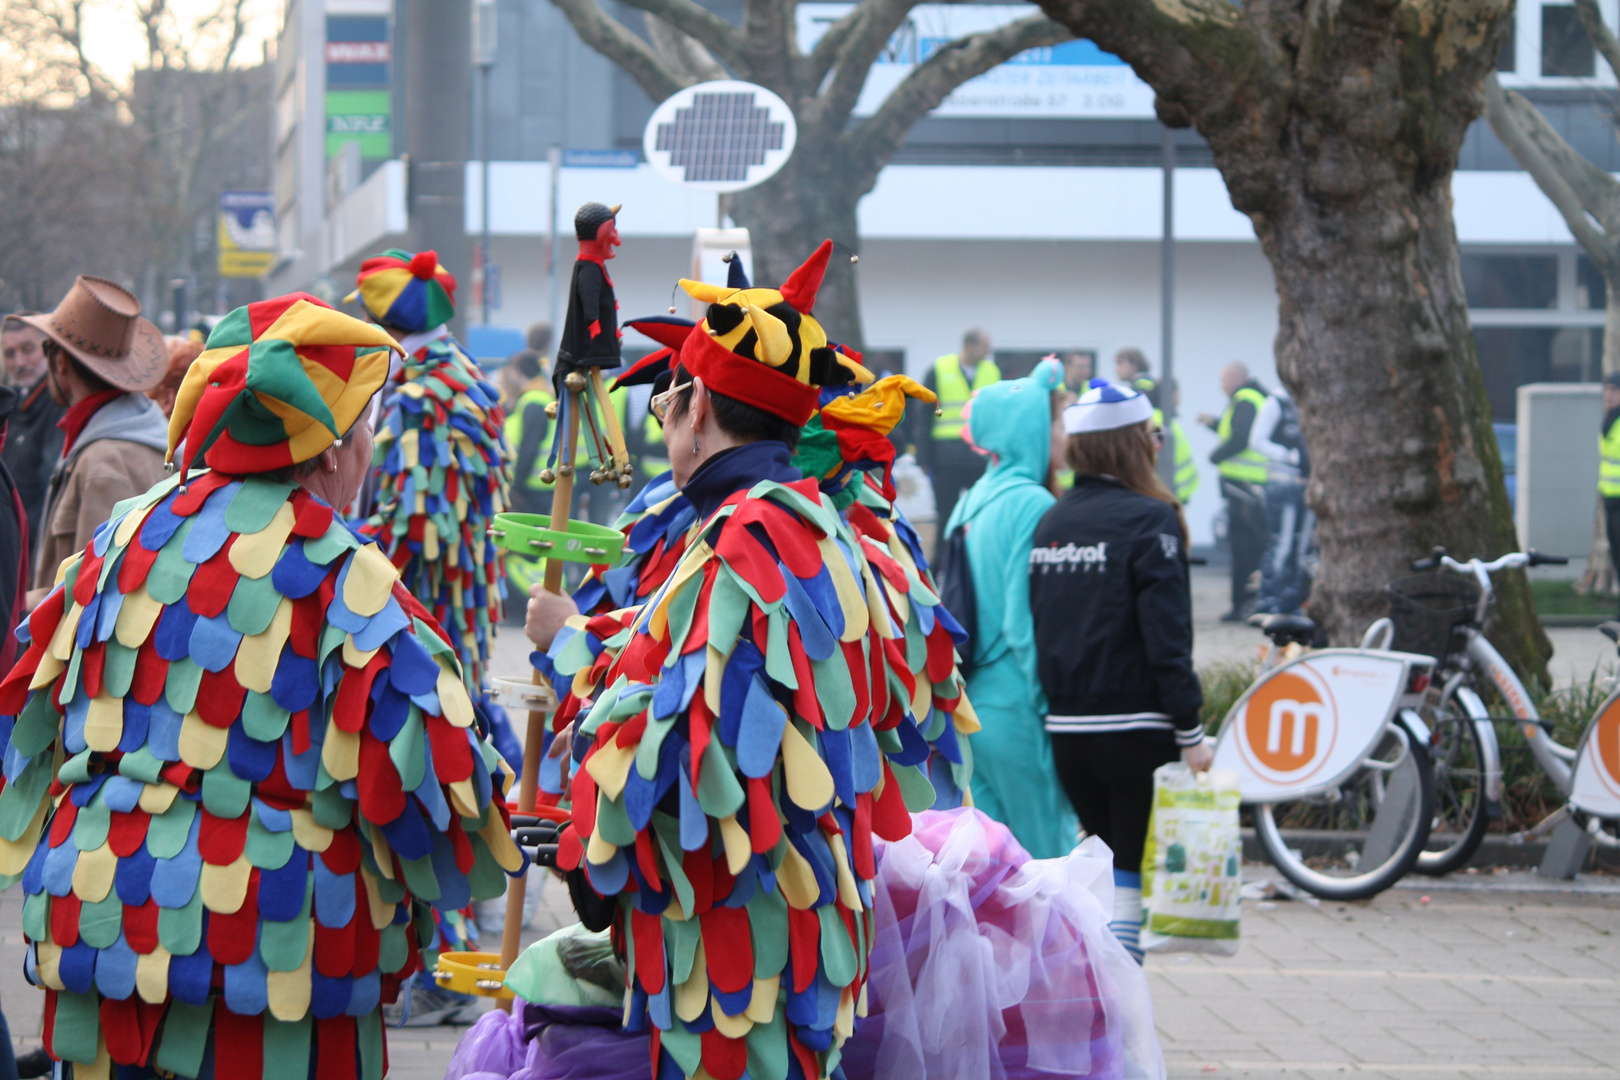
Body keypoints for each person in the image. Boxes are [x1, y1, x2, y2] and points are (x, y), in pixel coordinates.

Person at [0, 292, 524, 1078]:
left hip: (103, 933)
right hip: (277, 966)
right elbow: (440, 803)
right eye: (368, 428)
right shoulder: (351, 583)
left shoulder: (121, 539)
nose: (374, 449)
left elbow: (33, 728)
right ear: (328, 449)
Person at [523, 241, 955, 1080]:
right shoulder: (812, 524)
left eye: (664, 404)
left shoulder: (742, 540)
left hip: (736, 927)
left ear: (695, 405)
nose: (662, 426)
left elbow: (677, 736)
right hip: (788, 919)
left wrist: (577, 690)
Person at [1030, 378, 1210, 963]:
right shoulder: (1150, 520)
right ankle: (1122, 1020)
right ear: (1133, 444)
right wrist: (1192, 732)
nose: (1158, 444)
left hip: (1068, 734)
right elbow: (1168, 640)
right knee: (1128, 872)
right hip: (1137, 730)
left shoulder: (1052, 523)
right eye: (1152, 434)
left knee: (1101, 866)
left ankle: (1095, 1010)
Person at [939, 358, 1079, 859]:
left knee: (997, 883)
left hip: (972, 709)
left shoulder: (970, 499)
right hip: (1019, 710)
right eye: (1060, 421)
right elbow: (1025, 627)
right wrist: (1052, 711)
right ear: (1033, 430)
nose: (1067, 433)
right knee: (1050, 873)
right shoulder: (1034, 504)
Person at [19, 277, 170, 603]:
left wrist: (20, 606)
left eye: (48, 347)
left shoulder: (104, 462)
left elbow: (93, 597)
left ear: (60, 362)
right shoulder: (128, 438)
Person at [1198, 361, 1270, 621]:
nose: (1221, 386)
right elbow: (1238, 431)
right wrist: (1213, 424)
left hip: (1244, 488)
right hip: (1247, 488)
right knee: (1251, 547)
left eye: (1223, 380)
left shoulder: (1246, 399)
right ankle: (1247, 602)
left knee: (1245, 550)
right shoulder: (1251, 398)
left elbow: (1241, 438)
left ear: (1235, 378)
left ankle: (1244, 604)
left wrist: (1215, 457)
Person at [1, 313, 67, 546]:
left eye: (28, 349)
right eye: (10, 354)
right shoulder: (12, 403)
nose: (19, 362)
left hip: (34, 544)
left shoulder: (59, 405)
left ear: (46, 350)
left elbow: (49, 485)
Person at [921, 327, 999, 524]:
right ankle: (943, 555)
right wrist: (924, 457)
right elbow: (924, 415)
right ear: (970, 346)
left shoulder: (992, 371)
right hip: (947, 458)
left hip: (980, 456)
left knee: (980, 517)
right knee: (946, 518)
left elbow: (998, 415)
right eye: (985, 346)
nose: (989, 351)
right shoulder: (939, 369)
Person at [1251, 383, 1312, 614]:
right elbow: (1257, 440)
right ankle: (1269, 601)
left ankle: (1291, 600)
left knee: (1301, 546)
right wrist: (1288, 456)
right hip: (1283, 485)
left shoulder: (1309, 400)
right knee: (1282, 544)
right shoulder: (1276, 402)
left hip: (1307, 486)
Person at [1603, 373, 1620, 608]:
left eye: (1614, 389)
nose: (1607, 394)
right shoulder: (1609, 421)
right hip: (1611, 503)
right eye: (1605, 389)